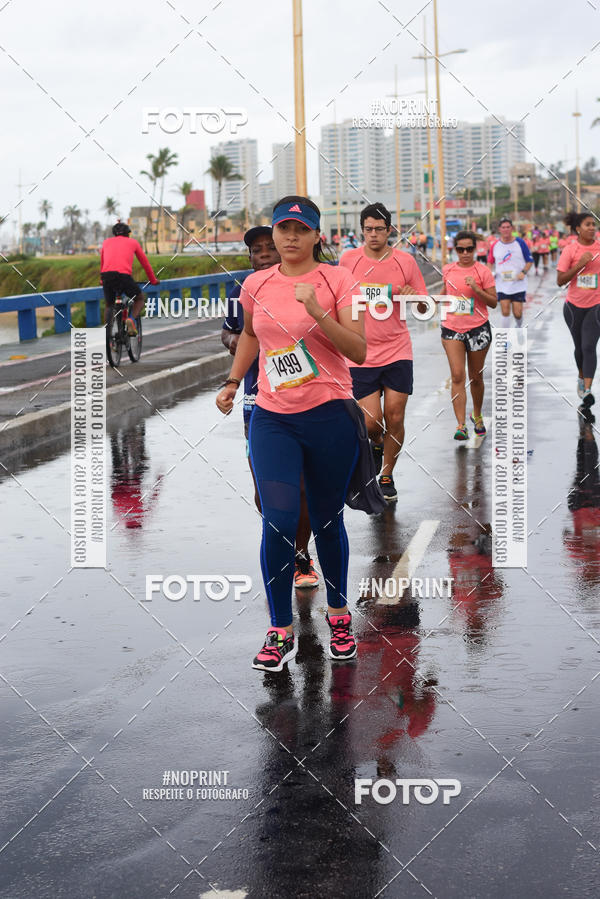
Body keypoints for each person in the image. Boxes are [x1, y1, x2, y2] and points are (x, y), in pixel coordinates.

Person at [216, 195, 367, 672]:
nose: (291, 237)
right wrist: (232, 382)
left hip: (330, 415)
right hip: (273, 417)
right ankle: (280, 630)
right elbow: (251, 335)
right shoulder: (256, 283)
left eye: (302, 229)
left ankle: (339, 616)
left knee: (326, 520)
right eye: (284, 228)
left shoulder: (340, 279)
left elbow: (359, 350)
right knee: (278, 520)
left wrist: (318, 311)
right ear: (275, 233)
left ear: (317, 235)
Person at [221, 225, 319, 588]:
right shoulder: (241, 291)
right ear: (250, 257)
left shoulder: (307, 287)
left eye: (269, 247)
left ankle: (301, 556)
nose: (263, 253)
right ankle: (283, 547)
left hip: (307, 400)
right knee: (267, 494)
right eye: (256, 249)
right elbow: (227, 331)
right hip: (257, 401)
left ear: (281, 250)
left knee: (303, 488)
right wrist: (238, 342)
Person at [339, 202, 427, 502]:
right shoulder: (348, 260)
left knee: (395, 415)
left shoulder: (405, 262)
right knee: (371, 422)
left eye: (379, 229)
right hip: (360, 352)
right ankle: (376, 443)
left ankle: (386, 475)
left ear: (389, 230)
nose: (373, 234)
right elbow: (336, 299)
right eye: (368, 229)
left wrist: (416, 299)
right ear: (362, 231)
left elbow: (425, 308)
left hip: (397, 349)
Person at [440, 231, 497, 440]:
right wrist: (428, 301)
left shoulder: (483, 271)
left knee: (476, 377)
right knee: (457, 375)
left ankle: (477, 415)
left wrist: (476, 289)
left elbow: (493, 302)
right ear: (455, 250)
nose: (465, 253)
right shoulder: (447, 270)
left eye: (469, 249)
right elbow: (445, 293)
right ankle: (461, 425)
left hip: (478, 329)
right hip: (452, 328)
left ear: (475, 249)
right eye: (460, 249)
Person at [557, 211, 600, 410]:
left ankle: (588, 390)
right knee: (580, 347)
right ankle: (581, 376)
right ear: (578, 229)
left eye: (593, 224)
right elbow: (560, 280)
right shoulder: (570, 250)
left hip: (596, 305)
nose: (592, 227)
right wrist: (580, 265)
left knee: (589, 346)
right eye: (587, 224)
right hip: (573, 307)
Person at [100, 222, 159, 335]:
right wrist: (153, 280)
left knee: (109, 305)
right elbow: (145, 264)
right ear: (128, 233)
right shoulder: (133, 242)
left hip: (107, 276)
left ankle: (108, 335)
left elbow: (103, 263)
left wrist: (102, 280)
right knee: (139, 299)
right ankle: (131, 320)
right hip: (123, 276)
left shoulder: (106, 242)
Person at [488, 217, 532, 329]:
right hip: (502, 284)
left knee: (517, 313)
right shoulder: (495, 245)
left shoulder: (520, 243)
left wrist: (523, 272)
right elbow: (490, 262)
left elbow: (529, 261)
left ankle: (518, 326)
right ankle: (505, 334)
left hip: (518, 283)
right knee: (505, 310)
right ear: (499, 229)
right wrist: (491, 274)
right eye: (503, 227)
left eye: (508, 227)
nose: (506, 229)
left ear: (512, 228)